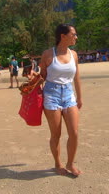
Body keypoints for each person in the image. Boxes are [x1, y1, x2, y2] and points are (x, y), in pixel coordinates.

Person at [39, 23, 83, 176]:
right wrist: (33, 80)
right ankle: (58, 164)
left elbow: (76, 77)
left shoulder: (74, 55)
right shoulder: (47, 54)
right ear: (63, 36)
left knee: (74, 133)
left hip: (69, 95)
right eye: (73, 34)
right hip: (51, 95)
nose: (76, 37)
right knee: (56, 134)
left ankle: (70, 164)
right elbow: (42, 77)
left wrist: (80, 97)